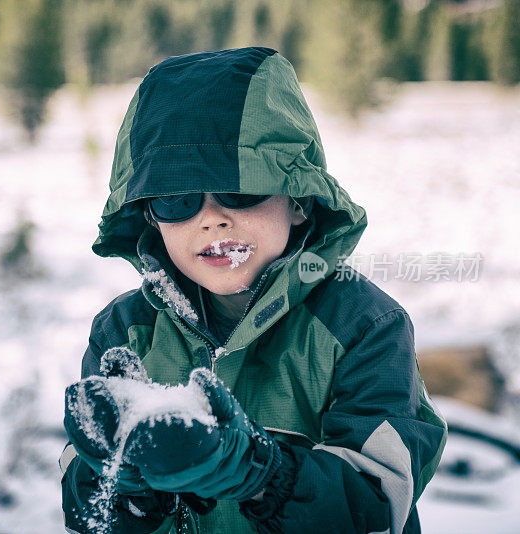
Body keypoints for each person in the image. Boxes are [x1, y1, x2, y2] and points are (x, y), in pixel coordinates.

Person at [60, 47, 447, 534]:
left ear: (300, 201)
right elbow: (88, 513)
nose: (211, 218)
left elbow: (379, 500)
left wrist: (260, 473)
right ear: (149, 219)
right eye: (177, 199)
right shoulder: (126, 330)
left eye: (240, 189)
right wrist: (125, 483)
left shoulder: (363, 326)